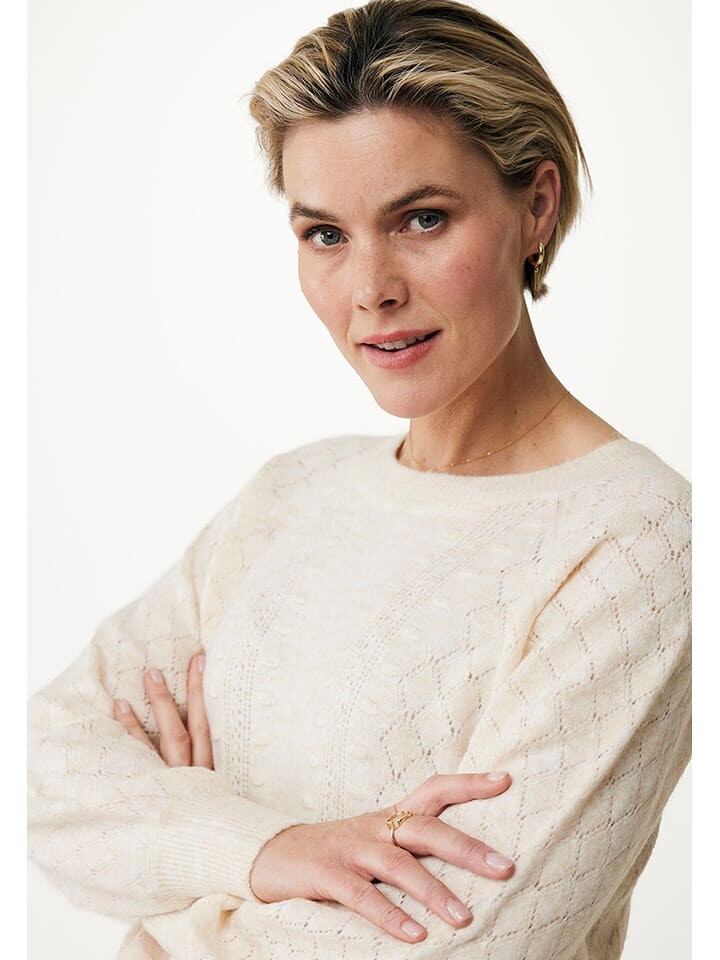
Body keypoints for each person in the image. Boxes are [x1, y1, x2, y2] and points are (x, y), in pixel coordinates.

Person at [27, 1, 691, 958]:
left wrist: (173, 867)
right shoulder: (290, 495)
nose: (370, 289)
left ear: (537, 206)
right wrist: (262, 849)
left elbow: (459, 942)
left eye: (422, 219)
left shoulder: (637, 539)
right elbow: (41, 772)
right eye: (324, 234)